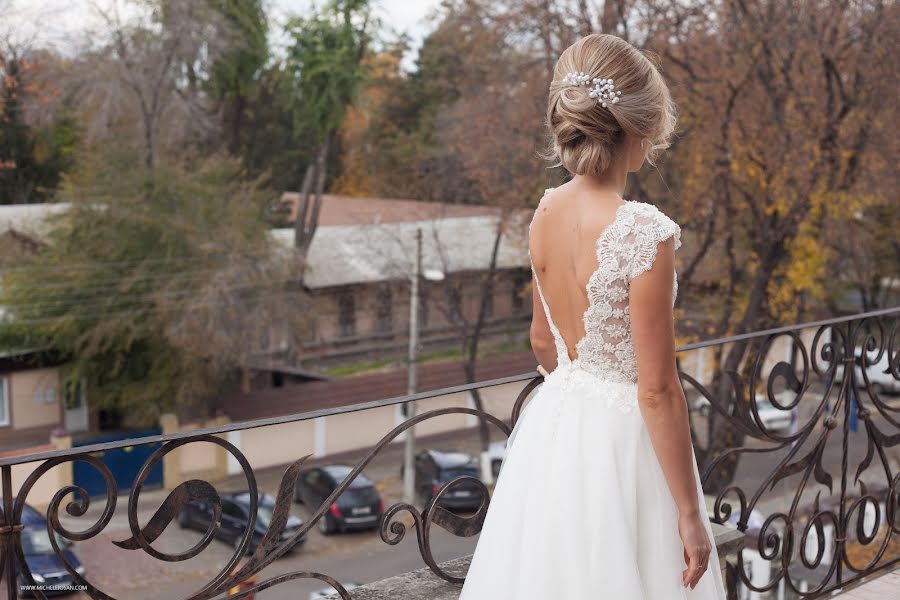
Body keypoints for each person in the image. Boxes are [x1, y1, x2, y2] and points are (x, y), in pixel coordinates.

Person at [458, 33, 727, 599]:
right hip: (625, 440)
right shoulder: (643, 232)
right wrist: (688, 512)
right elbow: (656, 390)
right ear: (638, 129)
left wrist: (578, 395)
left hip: (557, 425)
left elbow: (542, 340)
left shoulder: (545, 210)